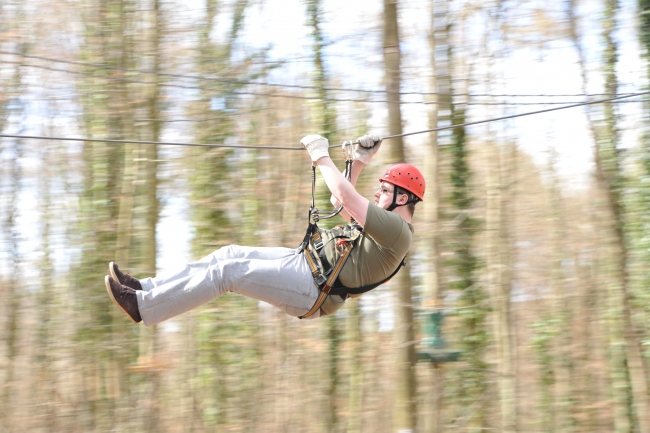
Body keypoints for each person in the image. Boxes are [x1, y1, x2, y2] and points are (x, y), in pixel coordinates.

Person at [104, 134, 425, 325]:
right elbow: (340, 202)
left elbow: (344, 196)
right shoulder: (387, 228)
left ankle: (144, 308)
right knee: (228, 254)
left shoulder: (397, 231)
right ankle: (146, 289)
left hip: (313, 289)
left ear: (402, 197)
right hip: (304, 264)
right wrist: (359, 160)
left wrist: (321, 156)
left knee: (228, 272)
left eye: (383, 190)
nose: (377, 194)